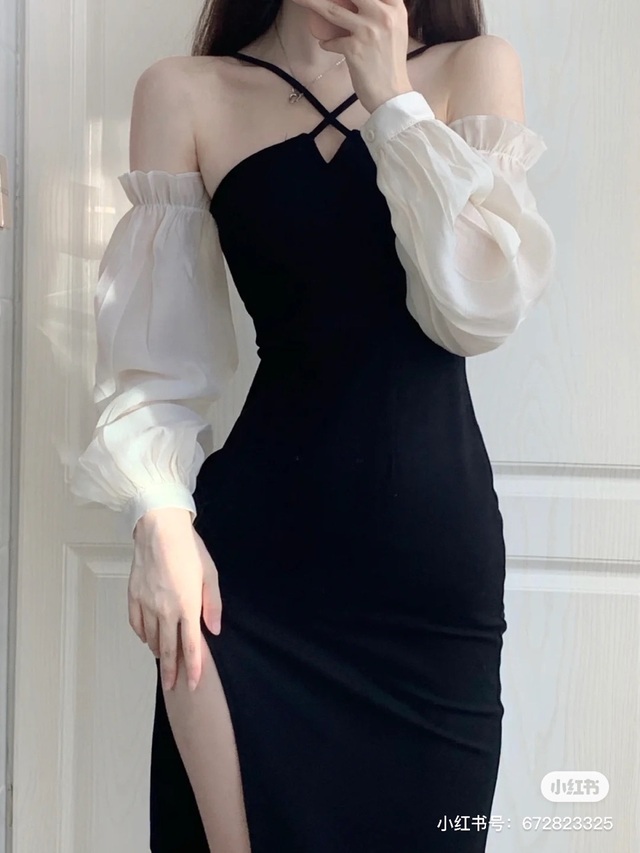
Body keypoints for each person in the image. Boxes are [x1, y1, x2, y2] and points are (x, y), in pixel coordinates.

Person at [69, 0, 556, 850]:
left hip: (429, 576)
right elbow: (156, 364)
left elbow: (477, 312)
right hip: (251, 577)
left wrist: (394, 101)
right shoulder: (185, 92)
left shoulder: (472, 67)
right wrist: (157, 517)